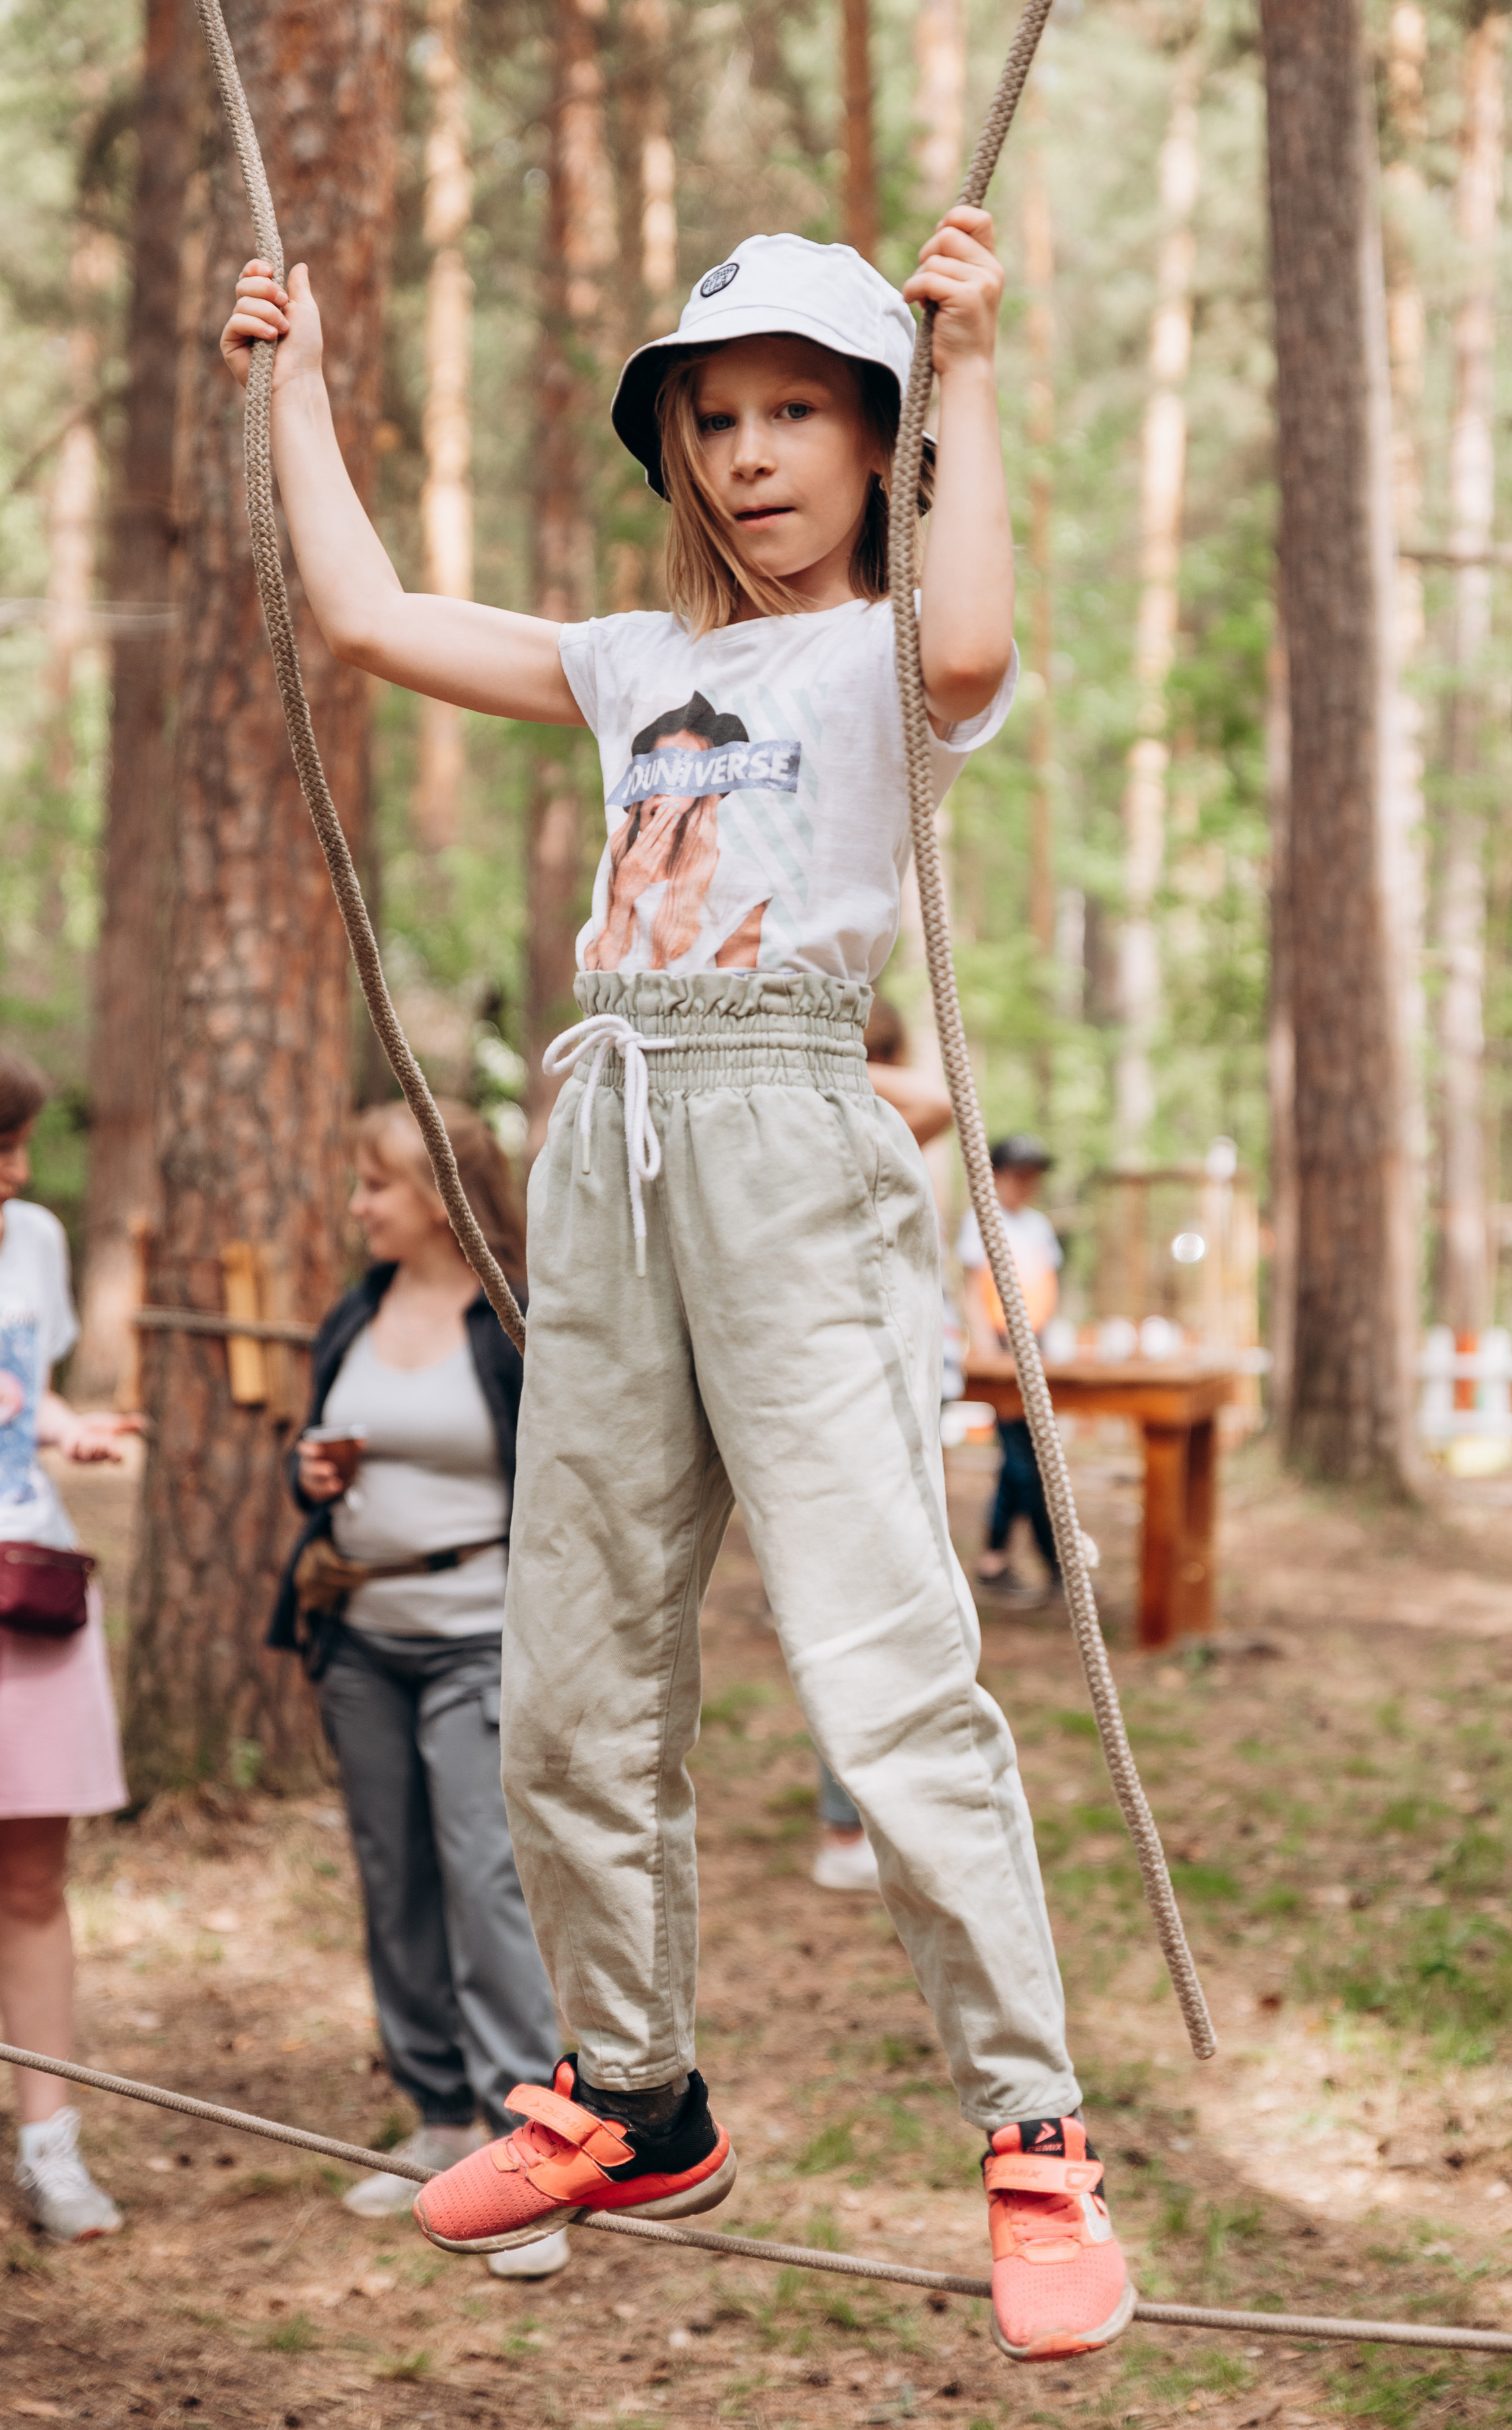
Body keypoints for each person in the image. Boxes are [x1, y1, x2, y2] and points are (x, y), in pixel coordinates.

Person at [222, 213, 1134, 2365]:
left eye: (797, 411)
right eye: (712, 420)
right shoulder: (633, 656)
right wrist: (292, 377)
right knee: (570, 1674)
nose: (746, 456)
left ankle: (1032, 2125)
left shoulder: (889, 651)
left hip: (793, 1142)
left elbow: (985, 633)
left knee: (883, 1666)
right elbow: (362, 615)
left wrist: (974, 362)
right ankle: (636, 2086)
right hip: (608, 1155)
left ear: (874, 443)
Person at [270, 1099, 564, 2283]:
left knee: (482, 1874)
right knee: (393, 1873)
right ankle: (438, 2113)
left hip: (476, 1637)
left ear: (439, 1192)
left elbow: (569, 1474)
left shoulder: (511, 1320)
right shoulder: (357, 1308)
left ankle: (529, 2150)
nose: (358, 1207)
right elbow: (318, 1458)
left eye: (376, 1187)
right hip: (362, 1633)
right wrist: (310, 1469)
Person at [0, 1047, 133, 2242]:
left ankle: (50, 2145)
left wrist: (66, 1428)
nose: (21, 1170)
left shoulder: (33, 1236)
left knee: (35, 1881)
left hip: (26, 1586)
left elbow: (18, 1393)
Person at [812, 994, 952, 1895]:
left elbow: (933, 1104)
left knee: (903, 1605)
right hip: (835, 1384)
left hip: (895, 1379)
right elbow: (937, 1098)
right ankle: (843, 1821)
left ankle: (885, 1808)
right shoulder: (810, 1117)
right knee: (848, 1604)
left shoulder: (870, 1121)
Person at [960, 1134, 1065, 1612]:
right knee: (1027, 1460)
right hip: (1001, 1349)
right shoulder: (981, 1222)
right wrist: (986, 1347)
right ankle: (1054, 1564)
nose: (1027, 1184)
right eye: (1018, 1174)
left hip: (1035, 1344)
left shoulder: (1038, 1227)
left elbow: (1048, 1286)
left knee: (1023, 1458)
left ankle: (995, 1559)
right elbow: (971, 1289)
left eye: (1032, 1175)